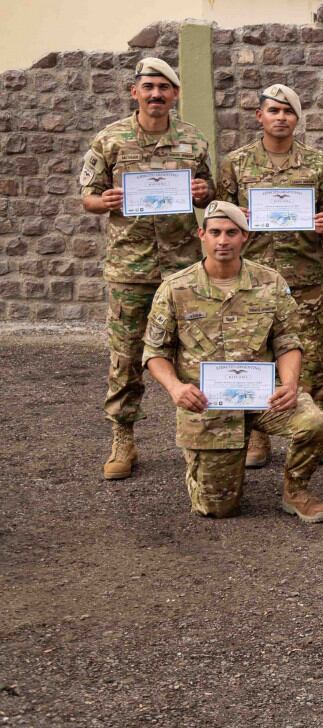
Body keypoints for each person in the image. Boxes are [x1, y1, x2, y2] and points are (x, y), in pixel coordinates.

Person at [141, 201, 323, 522]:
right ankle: (201, 463)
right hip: (208, 404)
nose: (223, 240)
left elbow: (288, 342)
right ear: (201, 234)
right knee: (217, 509)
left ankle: (296, 490)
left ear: (245, 235)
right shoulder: (175, 289)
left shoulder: (270, 283)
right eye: (215, 232)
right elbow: (154, 352)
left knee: (314, 422)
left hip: (261, 396)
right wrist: (175, 388)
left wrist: (289, 384)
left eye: (232, 232)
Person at [80, 56, 214, 480]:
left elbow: (209, 195)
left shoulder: (193, 141)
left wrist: (203, 191)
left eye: (164, 87)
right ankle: (123, 437)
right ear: (134, 91)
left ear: (175, 94)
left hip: (183, 266)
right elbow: (88, 195)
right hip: (130, 267)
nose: (156, 94)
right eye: (148, 86)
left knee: (196, 349)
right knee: (126, 353)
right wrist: (103, 202)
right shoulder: (110, 140)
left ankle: (205, 432)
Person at [215, 83, 323, 467]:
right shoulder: (235, 163)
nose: (281, 118)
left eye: (288, 112)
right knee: (254, 355)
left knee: (308, 358)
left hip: (301, 279)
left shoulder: (316, 163)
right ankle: (257, 436)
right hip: (251, 281)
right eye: (274, 111)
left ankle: (315, 431)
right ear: (260, 116)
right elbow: (221, 211)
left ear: (297, 119)